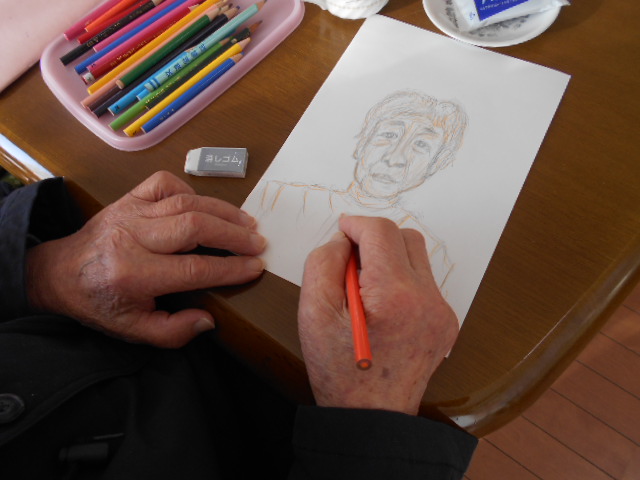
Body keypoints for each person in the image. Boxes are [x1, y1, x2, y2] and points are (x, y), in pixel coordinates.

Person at [0, 171, 477, 479]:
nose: (397, 156)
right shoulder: (297, 196)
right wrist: (371, 423)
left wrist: (40, 272)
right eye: (389, 134)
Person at [248, 90, 468, 291]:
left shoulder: (431, 253)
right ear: (362, 143)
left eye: (421, 145)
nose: (394, 158)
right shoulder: (275, 196)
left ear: (433, 166)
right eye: (389, 135)